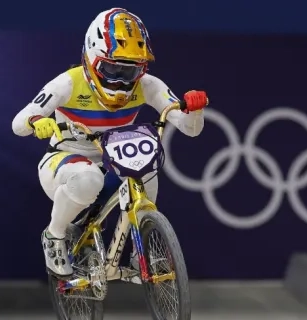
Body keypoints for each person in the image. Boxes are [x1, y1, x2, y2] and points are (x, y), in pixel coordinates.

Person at [11, 8, 208, 277]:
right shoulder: (68, 83)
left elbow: (190, 129)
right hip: (63, 161)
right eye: (112, 68)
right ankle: (54, 236)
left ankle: (145, 249)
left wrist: (194, 111)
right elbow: (18, 123)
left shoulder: (148, 85)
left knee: (145, 169)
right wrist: (36, 121)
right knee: (88, 178)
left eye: (130, 72)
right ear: (92, 58)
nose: (121, 81)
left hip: (112, 159)